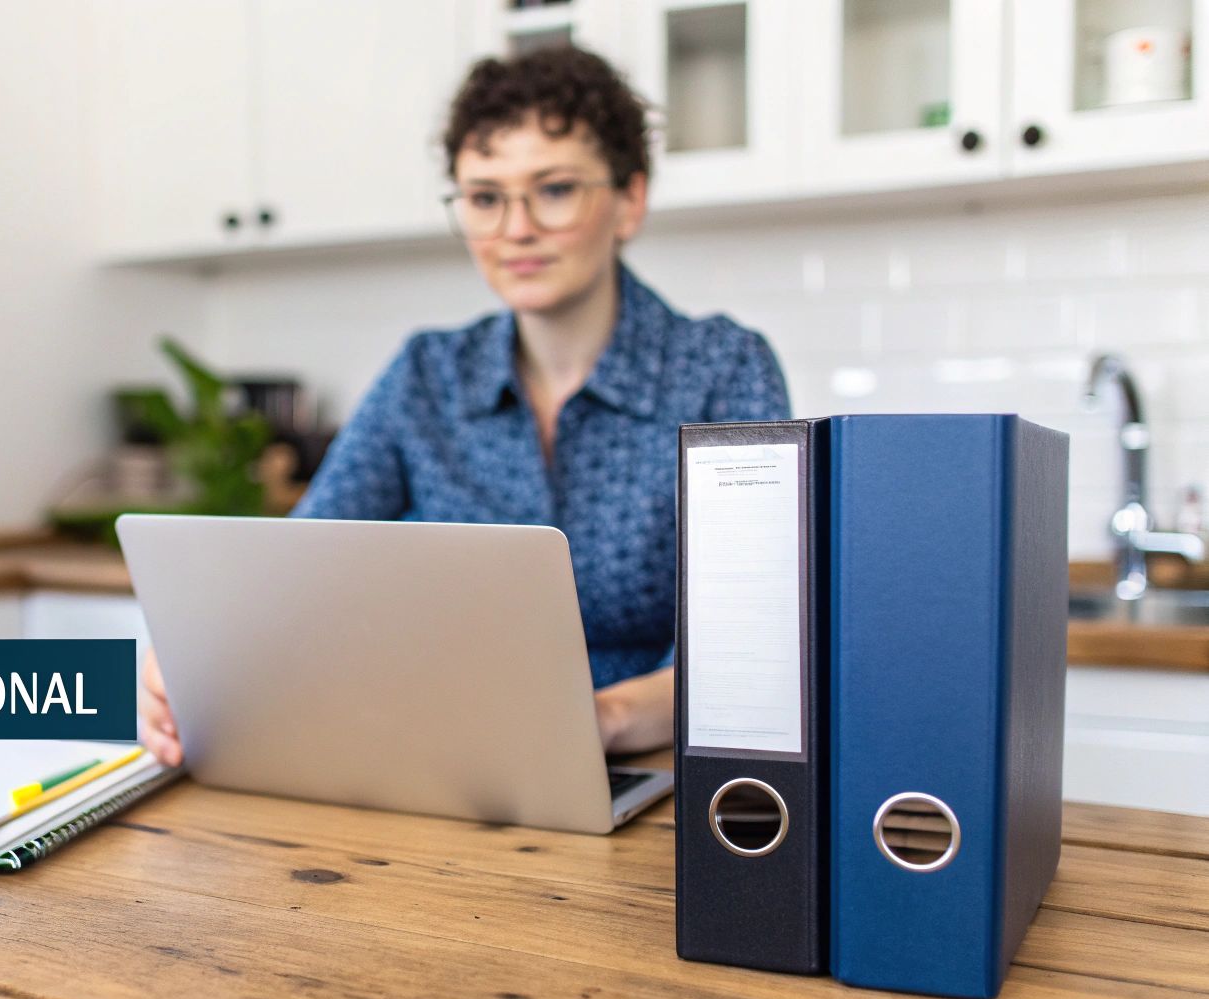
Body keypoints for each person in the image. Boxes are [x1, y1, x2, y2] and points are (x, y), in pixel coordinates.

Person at [139, 46, 790, 766]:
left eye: (555, 189)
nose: (515, 228)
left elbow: (747, 651)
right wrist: (195, 662)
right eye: (484, 197)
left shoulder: (723, 369)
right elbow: (299, 574)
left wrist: (596, 720)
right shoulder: (426, 375)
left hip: (659, 771)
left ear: (630, 200)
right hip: (445, 758)